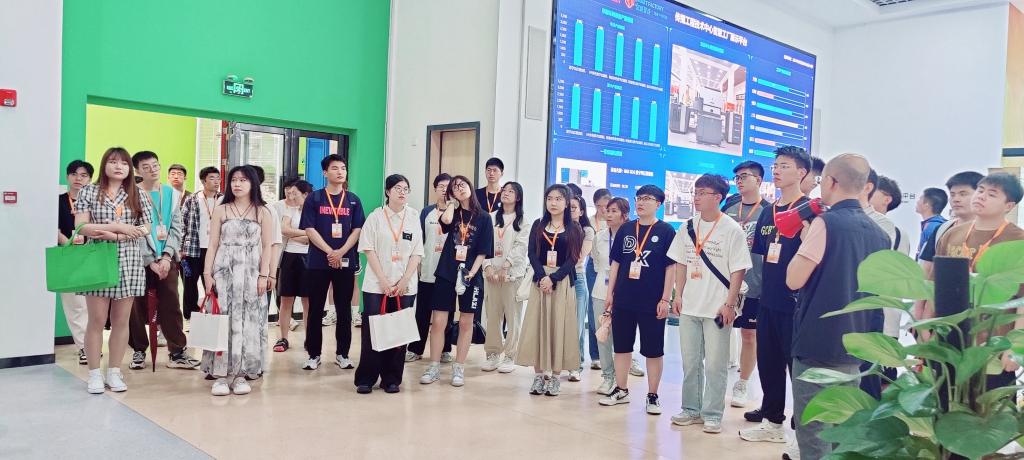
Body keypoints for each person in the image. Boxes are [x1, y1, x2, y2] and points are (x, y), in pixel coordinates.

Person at [786, 153, 890, 459]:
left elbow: (793, 279)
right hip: (856, 346)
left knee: (813, 429)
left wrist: (806, 240)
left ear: (831, 181)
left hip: (817, 343)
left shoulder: (826, 223)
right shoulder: (881, 234)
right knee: (842, 428)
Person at [669, 174, 752, 434]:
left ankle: (713, 413)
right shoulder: (687, 227)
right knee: (691, 362)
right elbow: (681, 262)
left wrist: (730, 304)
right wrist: (678, 295)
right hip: (690, 307)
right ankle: (690, 409)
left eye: (702, 193)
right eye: (695, 192)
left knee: (716, 364)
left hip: (717, 308)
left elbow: (739, 270)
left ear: (717, 197)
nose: (696, 197)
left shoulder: (731, 229)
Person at [740, 146, 811, 444]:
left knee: (798, 368)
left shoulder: (810, 211)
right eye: (776, 165)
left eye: (784, 166)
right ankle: (772, 422)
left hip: (797, 304)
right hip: (768, 300)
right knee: (768, 363)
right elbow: (761, 256)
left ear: (802, 172)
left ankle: (805, 432)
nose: (777, 171)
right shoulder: (768, 211)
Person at [74, 147, 155, 394]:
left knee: (121, 321)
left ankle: (114, 372)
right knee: (97, 320)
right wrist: (117, 227)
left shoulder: (138, 193)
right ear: (104, 165)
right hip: (99, 259)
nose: (119, 167)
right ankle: (94, 374)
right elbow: (81, 227)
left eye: (124, 163)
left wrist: (118, 235)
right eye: (113, 162)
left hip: (129, 261)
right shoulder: (89, 191)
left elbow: (147, 227)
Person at [934, 173, 1024, 383]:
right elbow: (934, 285)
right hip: (951, 340)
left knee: (988, 399)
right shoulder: (952, 234)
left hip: (993, 346)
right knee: (948, 398)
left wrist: (1016, 345)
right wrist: (927, 329)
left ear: (1009, 206)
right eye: (980, 190)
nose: (981, 196)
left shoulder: (1018, 241)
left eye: (991, 194)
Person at [599, 185, 677, 415]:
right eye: (639, 198)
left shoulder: (666, 231)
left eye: (647, 198)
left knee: (653, 350)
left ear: (658, 204)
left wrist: (665, 299)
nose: (641, 202)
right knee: (622, 347)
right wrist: (610, 294)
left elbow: (671, 268)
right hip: (624, 298)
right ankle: (621, 389)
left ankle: (652, 395)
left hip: (652, 301)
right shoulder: (626, 229)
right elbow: (616, 263)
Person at [201, 165, 275, 396]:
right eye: (234, 180)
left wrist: (264, 275)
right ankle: (221, 375)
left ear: (253, 183)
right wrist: (207, 274)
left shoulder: (263, 212)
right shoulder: (221, 209)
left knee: (248, 322)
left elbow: (268, 246)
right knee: (223, 320)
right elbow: (213, 244)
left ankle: (241, 373)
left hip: (252, 273)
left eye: (243, 180)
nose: (237, 184)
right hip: (224, 272)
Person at [420, 175, 494, 387]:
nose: (459, 188)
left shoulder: (484, 218)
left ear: (470, 186)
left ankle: (459, 368)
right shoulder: (452, 213)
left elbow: (483, 251)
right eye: (454, 187)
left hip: (470, 274)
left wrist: (472, 272)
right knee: (439, 321)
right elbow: (444, 222)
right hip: (446, 272)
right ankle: (434, 366)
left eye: (462, 185)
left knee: (466, 322)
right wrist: (452, 203)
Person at [354, 174, 424, 394]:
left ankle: (392, 379)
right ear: (387, 192)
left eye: (405, 189)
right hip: (377, 285)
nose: (402, 192)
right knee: (374, 330)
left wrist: (404, 280)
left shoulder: (413, 217)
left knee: (398, 332)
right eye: (397, 188)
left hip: (405, 285)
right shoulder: (375, 217)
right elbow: (368, 249)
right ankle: (366, 378)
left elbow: (417, 252)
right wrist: (384, 281)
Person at [127, 151, 197, 371]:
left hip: (167, 260)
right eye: (146, 167)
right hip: (139, 260)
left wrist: (167, 256)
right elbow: (133, 230)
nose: (152, 170)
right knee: (135, 307)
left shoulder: (171, 194)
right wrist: (150, 260)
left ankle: (177, 352)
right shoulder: (131, 194)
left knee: (171, 304)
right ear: (137, 170)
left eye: (155, 165)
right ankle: (139, 350)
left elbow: (176, 227)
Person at [299, 154, 365, 371]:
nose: (340, 172)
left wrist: (341, 252)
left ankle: (342, 354)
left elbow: (357, 229)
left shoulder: (353, 200)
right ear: (325, 173)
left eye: (343, 168)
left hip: (345, 261)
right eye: (335, 168)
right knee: (316, 309)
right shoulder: (314, 198)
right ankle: (313, 354)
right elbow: (309, 229)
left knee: (344, 310)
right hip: (319, 262)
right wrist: (330, 252)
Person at [516, 184, 583, 396]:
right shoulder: (538, 224)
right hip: (540, 281)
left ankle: (555, 376)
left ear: (567, 203)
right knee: (538, 326)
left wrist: (553, 278)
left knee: (558, 327)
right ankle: (538, 375)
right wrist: (542, 276)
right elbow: (532, 253)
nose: (553, 203)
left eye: (558, 199)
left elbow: (573, 258)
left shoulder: (574, 228)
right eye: (549, 198)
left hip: (561, 282)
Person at [722, 161, 771, 408]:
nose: (739, 181)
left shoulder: (768, 211)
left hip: (754, 283)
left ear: (759, 180)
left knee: (749, 335)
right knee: (718, 331)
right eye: (737, 178)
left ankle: (742, 383)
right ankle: (716, 380)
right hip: (725, 283)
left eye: (744, 176)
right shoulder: (729, 207)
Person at [914, 172, 984, 323]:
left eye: (963, 194)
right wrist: (918, 313)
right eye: (952, 195)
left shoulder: (993, 232)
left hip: (980, 313)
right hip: (941, 313)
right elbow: (926, 273)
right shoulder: (942, 230)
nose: (956, 199)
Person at [481, 182, 529, 374]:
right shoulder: (491, 217)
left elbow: (521, 246)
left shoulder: (523, 221)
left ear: (518, 197)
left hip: (512, 276)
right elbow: (483, 243)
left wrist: (506, 266)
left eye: (511, 191)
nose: (506, 193)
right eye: (505, 190)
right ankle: (493, 353)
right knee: (492, 315)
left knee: (513, 316)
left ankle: (510, 355)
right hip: (491, 274)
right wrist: (488, 266)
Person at [407, 173, 455, 363]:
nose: (444, 190)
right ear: (435, 189)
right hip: (427, 270)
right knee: (422, 312)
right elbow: (419, 240)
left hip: (448, 273)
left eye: (448, 186)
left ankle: (444, 349)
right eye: (441, 186)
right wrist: (417, 264)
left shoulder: (457, 212)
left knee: (446, 314)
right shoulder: (426, 212)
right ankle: (415, 349)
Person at [592, 197, 630, 395]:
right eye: (607, 210)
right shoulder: (599, 237)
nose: (609, 214)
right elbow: (596, 263)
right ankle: (608, 376)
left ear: (625, 215)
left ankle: (622, 377)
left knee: (622, 336)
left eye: (614, 211)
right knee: (603, 335)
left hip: (625, 292)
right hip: (601, 290)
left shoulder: (631, 237)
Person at [59, 160, 95, 365]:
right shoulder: (58, 201)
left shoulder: (94, 202)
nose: (78, 178)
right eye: (74, 174)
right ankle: (83, 347)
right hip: (68, 256)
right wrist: (69, 244)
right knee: (74, 305)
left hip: (91, 256)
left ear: (90, 179)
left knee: (92, 304)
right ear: (67, 177)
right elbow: (53, 227)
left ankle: (92, 344)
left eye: (83, 175)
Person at [274, 178, 313, 352]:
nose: (291, 197)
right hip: (289, 257)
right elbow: (283, 230)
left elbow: (315, 237)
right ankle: (283, 338)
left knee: (308, 301)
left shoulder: (315, 212)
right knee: (286, 300)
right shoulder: (290, 210)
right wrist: (306, 234)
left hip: (309, 259)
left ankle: (310, 339)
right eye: (289, 193)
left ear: (305, 194)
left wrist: (294, 235)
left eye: (294, 194)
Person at [180, 167, 222, 320]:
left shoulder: (224, 200)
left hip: (215, 250)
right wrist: (180, 248)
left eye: (218, 178)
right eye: (212, 178)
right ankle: (191, 316)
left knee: (213, 283)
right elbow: (182, 224)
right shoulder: (192, 199)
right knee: (190, 283)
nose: (216, 181)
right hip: (192, 249)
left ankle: (213, 314)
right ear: (203, 181)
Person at [566, 193, 595, 382]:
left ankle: (575, 365)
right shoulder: (557, 226)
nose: (570, 210)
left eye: (574, 208)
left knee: (576, 325)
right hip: (558, 279)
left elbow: (579, 257)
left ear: (582, 211)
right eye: (568, 207)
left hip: (576, 278)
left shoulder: (587, 230)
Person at [585, 188, 612, 369]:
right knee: (594, 310)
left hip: (612, 268)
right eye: (599, 206)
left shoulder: (616, 221)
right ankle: (595, 355)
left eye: (606, 206)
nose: (603, 210)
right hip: (594, 267)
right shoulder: (588, 221)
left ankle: (615, 353)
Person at [916, 187, 948, 259]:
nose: (917, 202)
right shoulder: (940, 224)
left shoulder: (932, 227)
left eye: (920, 199)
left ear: (926, 204)